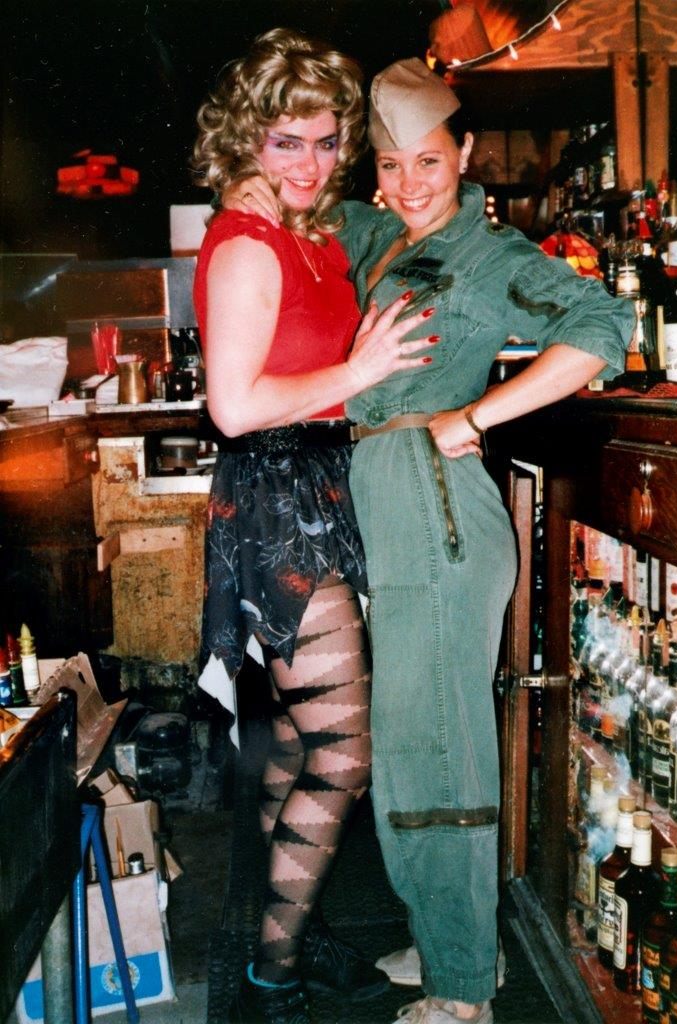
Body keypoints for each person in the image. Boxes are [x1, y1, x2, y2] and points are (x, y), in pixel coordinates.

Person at [227, 56, 634, 1024]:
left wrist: (478, 418)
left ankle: (461, 986)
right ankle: (457, 936)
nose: (409, 183)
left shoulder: (492, 253)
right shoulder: (367, 231)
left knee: (432, 743)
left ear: (464, 156)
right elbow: (274, 195)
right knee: (408, 740)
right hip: (362, 498)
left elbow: (603, 322)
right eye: (390, 163)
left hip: (434, 500)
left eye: (429, 162)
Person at [191, 31, 439, 1024]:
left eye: (328, 142)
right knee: (343, 751)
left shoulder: (311, 230)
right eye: (287, 143)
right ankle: (273, 969)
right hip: (277, 502)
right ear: (248, 139)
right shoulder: (248, 240)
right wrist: (359, 375)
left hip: (318, 489)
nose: (310, 164)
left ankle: (298, 926)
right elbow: (236, 407)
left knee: (298, 742)